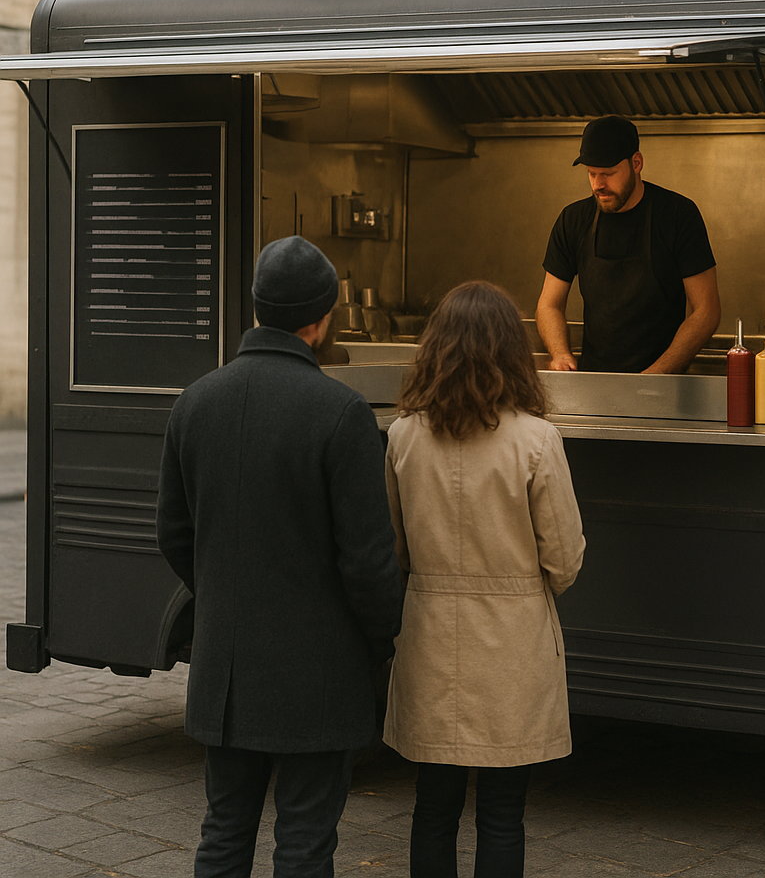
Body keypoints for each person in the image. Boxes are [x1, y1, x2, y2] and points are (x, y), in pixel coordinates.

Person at [156, 235, 404, 878]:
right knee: (304, 842)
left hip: (226, 671)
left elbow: (174, 536)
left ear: (258, 308)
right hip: (317, 674)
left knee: (223, 831)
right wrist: (380, 642)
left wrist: (223, 596)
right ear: (320, 323)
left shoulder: (193, 403)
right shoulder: (341, 412)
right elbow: (369, 561)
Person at [383, 280, 586, 878]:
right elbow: (565, 561)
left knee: (432, 807)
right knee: (503, 814)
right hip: (512, 644)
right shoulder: (537, 440)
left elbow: (394, 550)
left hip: (427, 638)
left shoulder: (401, 435)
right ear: (510, 351)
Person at [537, 115, 721, 373]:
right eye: (591, 173)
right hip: (594, 384)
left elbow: (706, 311)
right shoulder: (573, 220)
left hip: (664, 384)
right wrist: (560, 354)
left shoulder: (678, 216)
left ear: (636, 163)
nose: (598, 185)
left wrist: (655, 376)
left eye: (609, 173)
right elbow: (549, 305)